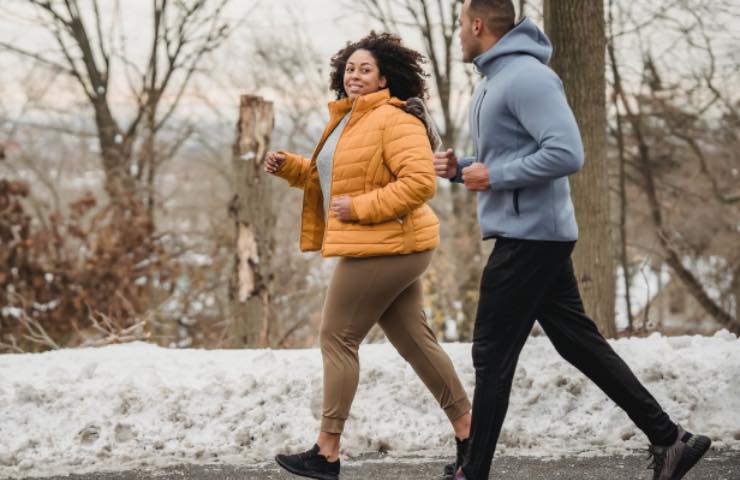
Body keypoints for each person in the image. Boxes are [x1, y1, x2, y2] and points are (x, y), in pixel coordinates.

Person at [433, 1, 712, 480]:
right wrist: (464, 170)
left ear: (478, 24)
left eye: (461, 24)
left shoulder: (528, 77)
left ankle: (471, 472)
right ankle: (670, 439)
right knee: (577, 343)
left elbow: (566, 152)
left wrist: (493, 175)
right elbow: (509, 155)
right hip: (531, 233)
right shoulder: (496, 80)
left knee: (491, 354)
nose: (459, 33)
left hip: (530, 238)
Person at [265, 32, 472, 480]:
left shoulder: (395, 120)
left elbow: (420, 183)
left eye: (365, 70)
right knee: (415, 342)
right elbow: (334, 180)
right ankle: (470, 434)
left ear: (385, 79)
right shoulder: (348, 120)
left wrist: (358, 208)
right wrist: (291, 168)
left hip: (386, 245)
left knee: (337, 337)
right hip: (387, 245)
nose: (354, 76)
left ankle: (327, 451)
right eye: (350, 68)